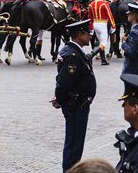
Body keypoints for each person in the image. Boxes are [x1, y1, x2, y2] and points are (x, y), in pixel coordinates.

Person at [51, 19, 96, 172]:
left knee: (76, 142)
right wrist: (60, 98)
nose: (90, 36)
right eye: (87, 34)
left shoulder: (73, 51)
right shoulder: (72, 55)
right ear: (79, 35)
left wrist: (59, 98)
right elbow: (64, 82)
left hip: (76, 103)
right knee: (74, 143)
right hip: (76, 105)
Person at [88, 0, 115, 65]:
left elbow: (90, 17)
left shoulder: (91, 4)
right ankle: (90, 55)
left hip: (95, 24)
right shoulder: (104, 3)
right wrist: (113, 25)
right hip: (103, 24)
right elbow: (109, 15)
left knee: (100, 41)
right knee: (103, 43)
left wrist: (91, 27)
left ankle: (103, 60)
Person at [121, 4, 138, 77]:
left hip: (132, 72)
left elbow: (131, 53)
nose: (127, 15)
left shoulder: (134, 32)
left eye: (129, 14)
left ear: (133, 15)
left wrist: (124, 43)